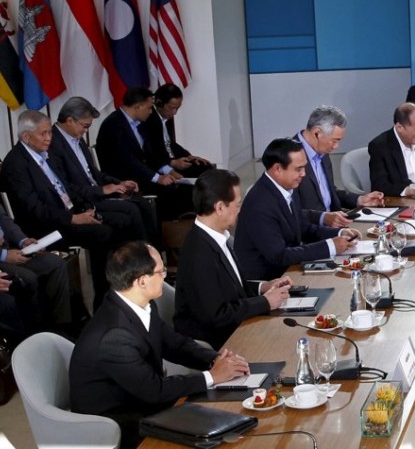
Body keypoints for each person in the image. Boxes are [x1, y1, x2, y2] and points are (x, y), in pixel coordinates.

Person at [69, 241, 250, 448]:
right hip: (118, 422)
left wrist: (215, 359)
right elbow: (154, 390)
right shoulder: (114, 336)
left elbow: (174, 344)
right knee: (218, 429)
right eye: (161, 271)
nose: (165, 276)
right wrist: (212, 376)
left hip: (141, 398)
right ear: (142, 281)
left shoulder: (140, 305)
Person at [1, 110, 119, 306]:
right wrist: (73, 218)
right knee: (103, 232)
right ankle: (103, 299)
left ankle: (117, 288)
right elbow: (34, 209)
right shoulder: (16, 164)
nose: (49, 138)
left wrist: (83, 209)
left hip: (66, 213)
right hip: (45, 226)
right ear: (26, 137)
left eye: (50, 132)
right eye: (43, 134)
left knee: (118, 219)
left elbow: (66, 187)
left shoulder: (45, 155)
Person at [174, 169, 292, 349]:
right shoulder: (198, 253)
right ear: (220, 207)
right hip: (219, 342)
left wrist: (264, 287)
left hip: (238, 326)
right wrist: (266, 302)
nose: (240, 210)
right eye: (237, 205)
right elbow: (217, 315)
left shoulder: (220, 238)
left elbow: (232, 287)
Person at [234, 138, 360, 280]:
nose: (303, 174)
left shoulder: (286, 187)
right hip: (270, 281)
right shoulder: (259, 204)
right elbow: (279, 256)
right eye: (298, 169)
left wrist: (339, 233)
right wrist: (330, 246)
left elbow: (304, 228)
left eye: (304, 167)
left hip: (290, 270)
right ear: (277, 169)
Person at [49, 97, 159, 247]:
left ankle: (153, 252)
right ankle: (138, 257)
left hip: (96, 193)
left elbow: (94, 173)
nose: (86, 131)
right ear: (70, 121)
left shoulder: (77, 138)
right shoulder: (53, 144)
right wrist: (102, 190)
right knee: (131, 210)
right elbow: (67, 187)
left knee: (143, 203)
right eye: (85, 126)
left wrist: (118, 184)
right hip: (82, 201)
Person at [95, 87, 193, 219]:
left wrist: (167, 170)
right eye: (149, 107)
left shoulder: (139, 124)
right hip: (124, 179)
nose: (151, 111)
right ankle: (167, 229)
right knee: (170, 190)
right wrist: (158, 178)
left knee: (181, 185)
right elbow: (128, 161)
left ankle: (181, 224)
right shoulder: (113, 125)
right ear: (138, 107)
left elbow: (150, 154)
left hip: (141, 173)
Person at [295, 106, 384, 228]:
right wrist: (323, 218)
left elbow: (329, 193)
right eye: (334, 140)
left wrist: (359, 200)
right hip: (309, 232)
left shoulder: (321, 151)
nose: (336, 146)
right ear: (317, 133)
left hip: (335, 227)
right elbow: (287, 210)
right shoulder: (287, 155)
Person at [0, 208, 72, 334]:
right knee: (27, 279)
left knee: (55, 264)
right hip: (3, 256)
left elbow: (4, 220)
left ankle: (62, 329)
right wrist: (3, 255)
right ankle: (35, 334)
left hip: (8, 248)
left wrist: (23, 241)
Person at [141, 83, 214, 178]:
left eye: (177, 108)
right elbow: (151, 152)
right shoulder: (148, 119)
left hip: (172, 160)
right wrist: (172, 162)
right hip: (161, 165)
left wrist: (188, 156)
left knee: (205, 166)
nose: (175, 112)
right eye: (172, 108)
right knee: (203, 174)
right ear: (159, 103)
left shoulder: (166, 116)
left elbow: (170, 143)